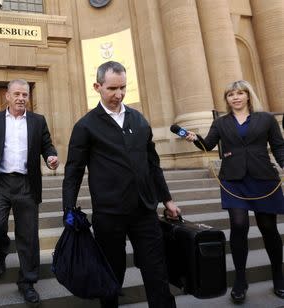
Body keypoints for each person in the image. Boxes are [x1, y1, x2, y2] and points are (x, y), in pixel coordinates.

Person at [62, 61, 180, 308]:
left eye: (123, 88)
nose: (119, 94)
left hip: (145, 211)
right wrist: (68, 209)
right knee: (111, 276)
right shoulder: (85, 125)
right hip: (109, 214)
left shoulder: (139, 120)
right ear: (98, 86)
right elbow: (73, 171)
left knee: (157, 273)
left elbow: (153, 164)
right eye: (112, 88)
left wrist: (167, 199)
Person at [184, 80, 284, 302]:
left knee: (268, 228)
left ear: (248, 96)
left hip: (263, 178)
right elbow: (207, 145)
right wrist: (194, 139)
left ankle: (279, 276)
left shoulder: (266, 119)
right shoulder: (221, 123)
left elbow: (278, 145)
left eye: (240, 93)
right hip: (233, 180)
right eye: (231, 94)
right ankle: (240, 280)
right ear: (226, 99)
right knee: (238, 226)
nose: (236, 97)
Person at [0, 79, 59, 305]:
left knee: (28, 235)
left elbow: (47, 145)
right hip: (0, 183)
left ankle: (27, 282)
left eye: (25, 94)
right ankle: (1, 250)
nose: (21, 98)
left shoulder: (38, 121)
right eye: (17, 94)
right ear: (7, 97)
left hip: (26, 184)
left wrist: (51, 157)